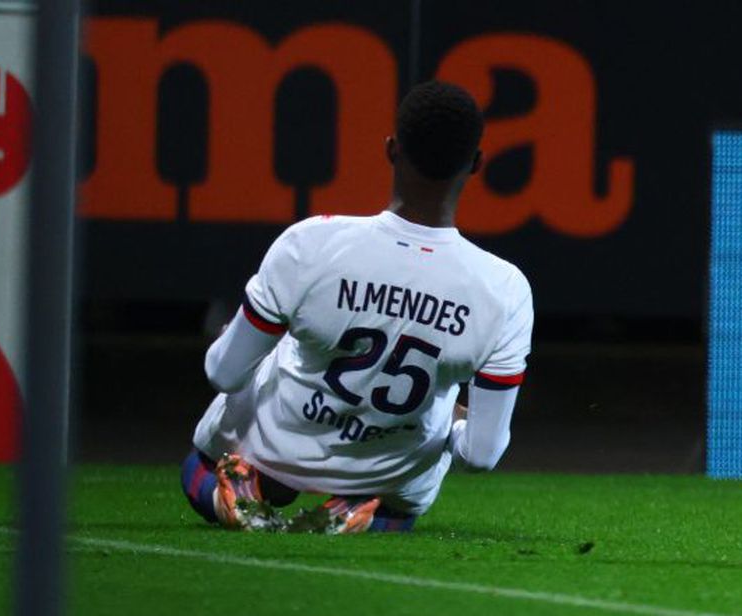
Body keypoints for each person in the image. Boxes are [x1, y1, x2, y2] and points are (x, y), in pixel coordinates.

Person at [181, 81, 533, 533]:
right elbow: (481, 456)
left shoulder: (311, 242)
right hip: (385, 471)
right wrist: (453, 420)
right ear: (477, 163)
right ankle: (365, 513)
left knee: (201, 460)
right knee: (424, 450)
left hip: (276, 445)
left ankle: (227, 491)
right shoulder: (505, 288)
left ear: (391, 149)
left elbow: (223, 374)